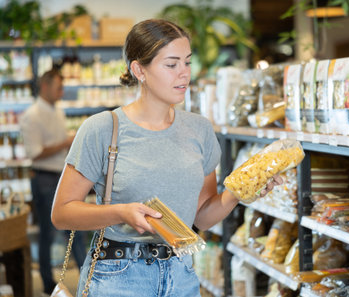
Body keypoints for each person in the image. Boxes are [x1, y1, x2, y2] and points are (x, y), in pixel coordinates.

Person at [51, 19, 282, 297]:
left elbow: (198, 219)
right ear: (139, 70)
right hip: (119, 277)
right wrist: (121, 212)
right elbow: (62, 213)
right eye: (171, 65)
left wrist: (237, 194)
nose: (184, 74)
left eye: (187, 62)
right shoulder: (103, 128)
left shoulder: (200, 129)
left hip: (181, 275)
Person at [19, 69, 87, 296]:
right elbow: (34, 153)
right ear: (45, 86)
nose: (62, 91)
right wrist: (65, 142)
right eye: (59, 87)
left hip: (61, 175)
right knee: (47, 234)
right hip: (44, 177)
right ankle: (48, 285)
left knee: (75, 230)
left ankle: (87, 278)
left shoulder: (57, 111)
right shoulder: (32, 115)